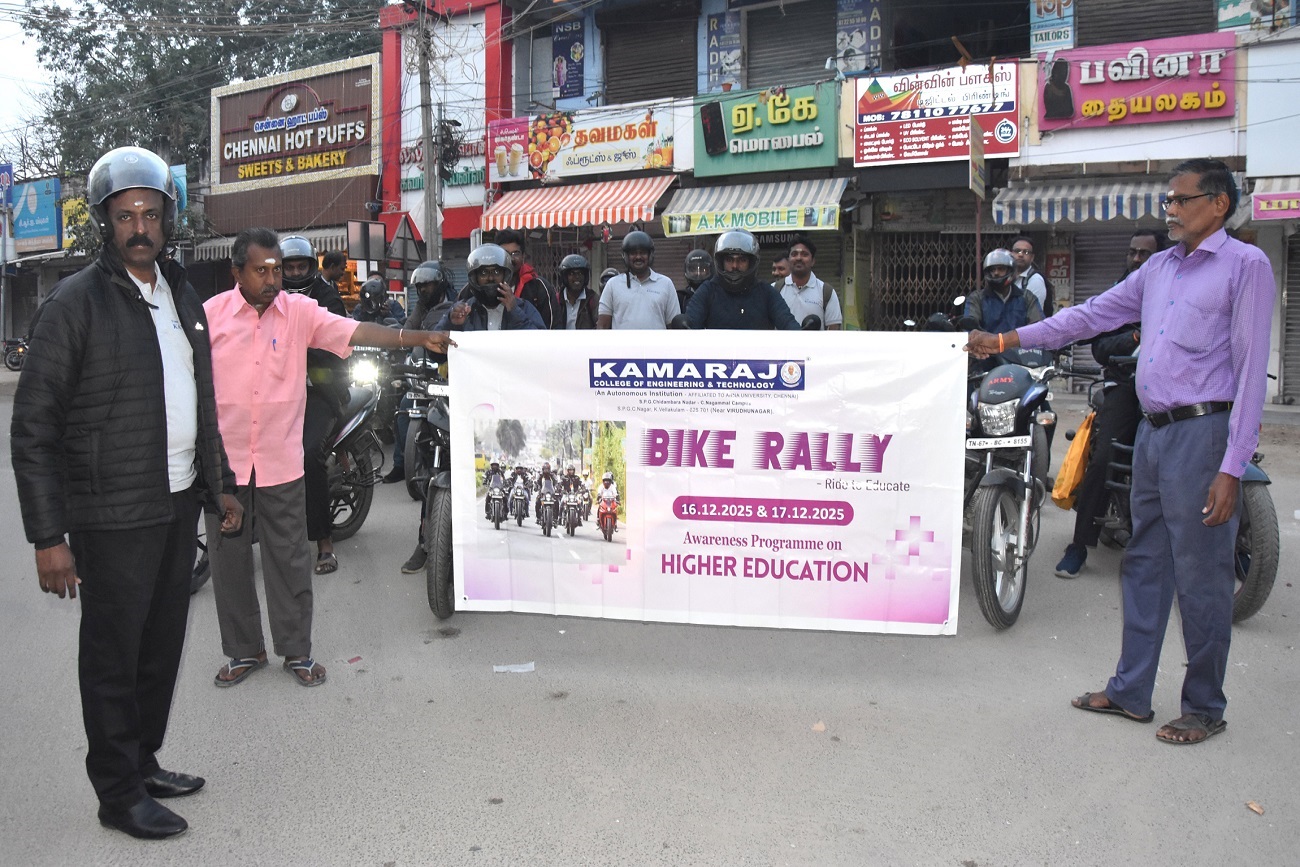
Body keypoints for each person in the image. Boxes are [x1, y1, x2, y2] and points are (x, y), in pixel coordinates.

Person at [966, 159, 1275, 746]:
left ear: (1218, 205)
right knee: (1143, 563)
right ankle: (1132, 691)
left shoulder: (1246, 267)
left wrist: (1233, 464)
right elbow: (1091, 315)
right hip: (1152, 433)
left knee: (1203, 576)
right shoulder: (1159, 268)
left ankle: (1205, 705)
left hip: (1202, 434)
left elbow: (1251, 377)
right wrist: (1008, 340)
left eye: (1183, 200)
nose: (1172, 210)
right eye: (1170, 201)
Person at [11, 146, 243, 840]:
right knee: (113, 655)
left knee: (160, 647)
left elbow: (203, 401)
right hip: (110, 514)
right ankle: (117, 791)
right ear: (106, 226)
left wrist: (220, 485)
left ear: (167, 218)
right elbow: (32, 430)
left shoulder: (180, 294)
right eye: (124, 215)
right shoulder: (74, 303)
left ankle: (142, 761)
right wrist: (48, 537)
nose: (138, 226)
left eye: (149, 212)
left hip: (174, 503)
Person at [203, 227, 455, 691]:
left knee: (289, 561)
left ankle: (296, 651)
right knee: (230, 563)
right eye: (261, 270)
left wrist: (417, 335)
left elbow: (356, 331)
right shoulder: (210, 317)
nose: (273, 279)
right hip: (226, 466)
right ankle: (244, 650)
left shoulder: (297, 312)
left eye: (277, 269)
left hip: (281, 460)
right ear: (236, 272)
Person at [1055, 230, 1164, 579]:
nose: (1136, 259)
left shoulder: (1177, 293)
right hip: (1126, 387)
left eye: (1144, 254)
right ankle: (1078, 545)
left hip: (1171, 390)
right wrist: (1135, 335)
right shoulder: (1118, 296)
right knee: (1104, 458)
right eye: (1132, 252)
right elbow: (1100, 349)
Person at [281, 235, 350, 575]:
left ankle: (324, 542)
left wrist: (294, 349)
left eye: (300, 266)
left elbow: (334, 349)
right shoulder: (272, 298)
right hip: (279, 394)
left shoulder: (328, 300)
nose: (294, 273)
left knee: (308, 454)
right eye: (288, 267)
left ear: (311, 267)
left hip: (321, 392)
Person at [385, 259, 456, 484]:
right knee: (405, 407)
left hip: (449, 375)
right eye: (420, 286)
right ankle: (401, 464)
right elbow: (407, 332)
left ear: (441, 284)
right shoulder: (420, 306)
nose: (424, 290)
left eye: (428, 285)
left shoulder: (457, 304)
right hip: (424, 372)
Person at [683, 230, 799, 330]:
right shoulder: (708, 290)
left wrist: (803, 334)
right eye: (729, 260)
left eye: (742, 260)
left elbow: (787, 323)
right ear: (721, 262)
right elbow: (690, 323)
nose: (735, 266)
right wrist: (684, 325)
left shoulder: (766, 292)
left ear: (751, 262)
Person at [434, 244, 546, 331]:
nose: (491, 278)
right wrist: (451, 323)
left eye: (496, 272)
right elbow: (436, 354)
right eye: (483, 273)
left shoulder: (524, 308)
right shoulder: (464, 310)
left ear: (505, 275)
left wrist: (514, 311)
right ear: (475, 278)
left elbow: (542, 347)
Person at [597, 231, 681, 329]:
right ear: (626, 256)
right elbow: (603, 326)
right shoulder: (612, 285)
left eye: (643, 253)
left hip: (657, 345)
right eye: (633, 253)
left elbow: (673, 326)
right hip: (622, 345)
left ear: (650, 255)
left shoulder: (666, 284)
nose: (638, 257)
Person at [964, 248, 1044, 334]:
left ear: (1011, 271)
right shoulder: (977, 298)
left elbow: (1038, 327)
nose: (996, 273)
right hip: (988, 346)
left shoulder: (1027, 297)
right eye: (992, 270)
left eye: (1001, 269)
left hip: (1020, 346)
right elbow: (971, 329)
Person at [495, 229, 559, 329]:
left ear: (523, 256)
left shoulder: (540, 287)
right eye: (505, 253)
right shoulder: (482, 286)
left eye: (515, 253)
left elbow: (552, 328)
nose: (511, 259)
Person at [778, 235, 843, 330]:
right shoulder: (775, 289)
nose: (799, 258)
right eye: (794, 254)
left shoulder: (826, 292)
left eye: (804, 254)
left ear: (813, 261)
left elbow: (834, 330)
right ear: (788, 261)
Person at [554, 253, 600, 329]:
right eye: (572, 274)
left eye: (580, 273)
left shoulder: (593, 299)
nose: (577, 277)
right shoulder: (557, 300)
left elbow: (599, 325)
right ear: (565, 277)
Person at [1009, 235, 1051, 314]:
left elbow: (1032, 314)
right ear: (1011, 254)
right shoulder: (1008, 278)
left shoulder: (1035, 280)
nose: (1020, 255)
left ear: (1032, 257)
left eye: (1026, 252)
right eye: (1017, 251)